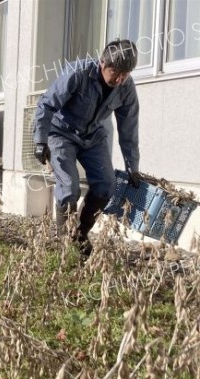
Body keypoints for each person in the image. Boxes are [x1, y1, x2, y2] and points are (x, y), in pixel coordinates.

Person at [33, 39, 141, 255]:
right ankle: (65, 244)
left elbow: (128, 127)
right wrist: (40, 140)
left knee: (106, 185)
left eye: (125, 74)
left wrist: (133, 166)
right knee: (69, 187)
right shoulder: (77, 72)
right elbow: (47, 104)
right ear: (102, 63)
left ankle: (80, 235)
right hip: (61, 133)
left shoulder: (126, 87)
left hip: (92, 137)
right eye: (115, 72)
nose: (120, 79)